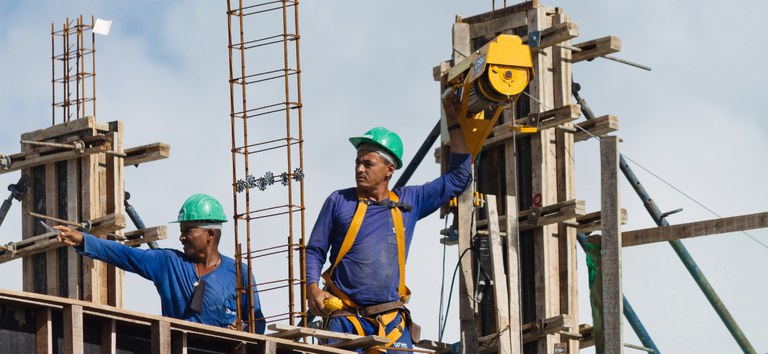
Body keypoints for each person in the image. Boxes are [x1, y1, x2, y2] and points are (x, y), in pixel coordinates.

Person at [305, 94, 471, 351]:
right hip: (345, 319)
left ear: (389, 169)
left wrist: (453, 119)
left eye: (367, 163)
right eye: (357, 162)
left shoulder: (409, 202)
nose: (360, 168)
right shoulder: (339, 201)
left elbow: (460, 177)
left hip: (390, 320)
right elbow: (315, 250)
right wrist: (313, 288)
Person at [55, 193, 266, 333]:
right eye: (181, 232)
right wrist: (83, 240)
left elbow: (257, 323)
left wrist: (243, 332)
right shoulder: (168, 263)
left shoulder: (239, 274)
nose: (181, 237)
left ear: (210, 234)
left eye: (187, 232)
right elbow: (124, 254)